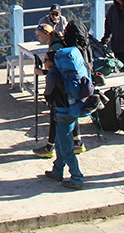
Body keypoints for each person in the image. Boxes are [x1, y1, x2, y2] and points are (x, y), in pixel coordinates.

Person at [32, 24, 84, 158]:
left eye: (39, 35)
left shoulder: (55, 48)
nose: (37, 38)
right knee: (69, 112)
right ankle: (77, 142)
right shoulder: (59, 43)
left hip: (61, 88)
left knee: (56, 115)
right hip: (69, 85)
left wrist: (41, 72)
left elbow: (56, 70)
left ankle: (50, 147)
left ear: (47, 34)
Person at [42, 50, 84, 190]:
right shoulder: (66, 72)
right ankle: (57, 170)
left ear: (52, 62)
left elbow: (48, 93)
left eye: (45, 60)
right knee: (60, 142)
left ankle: (77, 178)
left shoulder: (53, 75)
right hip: (72, 110)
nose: (44, 63)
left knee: (66, 148)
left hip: (62, 113)